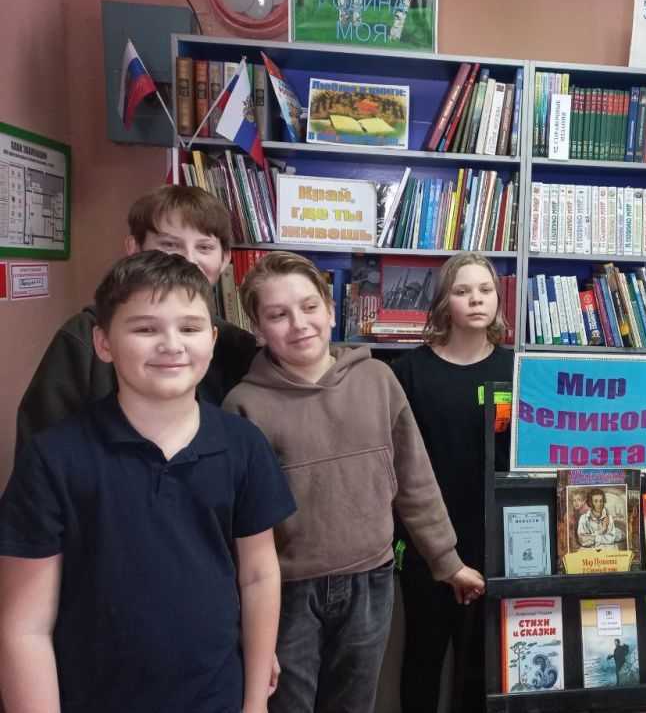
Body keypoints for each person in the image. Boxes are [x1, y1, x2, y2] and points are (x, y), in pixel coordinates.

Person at [0, 251, 296, 713]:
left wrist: (255, 703)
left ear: (212, 340)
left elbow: (259, 576)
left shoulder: (244, 446)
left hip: (216, 698)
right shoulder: (53, 459)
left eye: (189, 328)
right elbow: (25, 627)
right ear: (103, 343)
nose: (171, 345)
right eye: (144, 329)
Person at [222, 251, 484, 713]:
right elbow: (233, 523)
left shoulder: (378, 380)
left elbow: (415, 479)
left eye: (308, 307)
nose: (298, 323)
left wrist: (447, 561)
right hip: (286, 591)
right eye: (278, 315)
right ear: (258, 329)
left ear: (330, 310)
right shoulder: (242, 405)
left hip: (370, 580)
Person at [15, 184, 257, 458]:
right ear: (135, 247)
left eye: (204, 247)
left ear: (225, 258)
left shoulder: (237, 345)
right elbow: (41, 446)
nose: (189, 259)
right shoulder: (83, 336)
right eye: (169, 244)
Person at [392, 252, 514, 713]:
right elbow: (399, 466)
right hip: (426, 543)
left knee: (485, 660)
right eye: (462, 291)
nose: (476, 300)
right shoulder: (409, 371)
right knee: (424, 655)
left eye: (485, 290)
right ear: (445, 301)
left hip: (496, 540)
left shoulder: (516, 370)